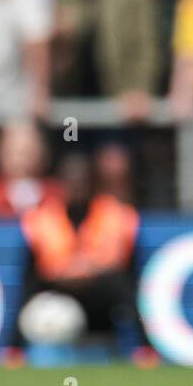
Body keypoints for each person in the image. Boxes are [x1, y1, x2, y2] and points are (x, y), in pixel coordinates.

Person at [15, 153, 145, 362]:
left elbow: (127, 270)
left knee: (122, 287)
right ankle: (16, 351)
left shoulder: (115, 215)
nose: (76, 187)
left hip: (99, 291)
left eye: (81, 181)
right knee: (31, 288)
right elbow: (30, 275)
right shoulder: (42, 218)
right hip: (58, 286)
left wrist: (89, 268)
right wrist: (67, 271)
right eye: (70, 181)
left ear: (92, 183)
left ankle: (144, 349)